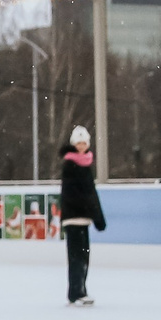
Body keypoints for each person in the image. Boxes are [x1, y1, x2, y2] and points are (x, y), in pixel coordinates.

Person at [58, 125, 105, 306]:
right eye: (78, 143)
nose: (81, 146)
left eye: (84, 142)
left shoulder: (85, 164)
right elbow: (79, 194)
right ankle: (75, 292)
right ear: (73, 144)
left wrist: (96, 215)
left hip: (82, 218)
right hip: (73, 218)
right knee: (77, 256)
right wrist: (91, 210)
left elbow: (91, 193)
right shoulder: (71, 165)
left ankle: (81, 290)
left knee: (84, 256)